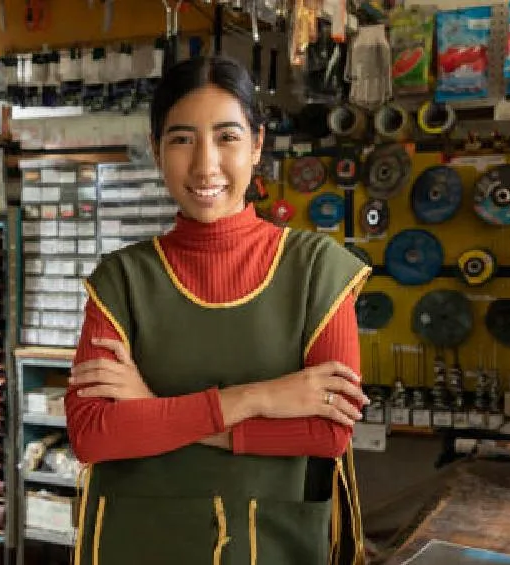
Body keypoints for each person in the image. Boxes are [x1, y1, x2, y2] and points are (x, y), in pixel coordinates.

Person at [64, 55, 372, 565]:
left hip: (270, 545)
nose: (205, 165)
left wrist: (154, 408)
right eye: (182, 139)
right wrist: (262, 397)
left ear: (256, 145)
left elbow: (327, 432)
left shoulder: (318, 271)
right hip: (142, 543)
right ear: (156, 151)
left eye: (227, 137)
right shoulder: (121, 280)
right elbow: (94, 435)